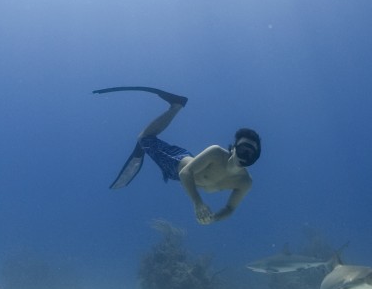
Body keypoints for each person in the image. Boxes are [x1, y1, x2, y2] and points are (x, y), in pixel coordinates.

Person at [93, 85, 261, 225]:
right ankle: (176, 105)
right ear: (233, 148)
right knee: (144, 138)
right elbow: (185, 172)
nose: (246, 156)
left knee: (148, 143)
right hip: (176, 163)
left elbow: (230, 209)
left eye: (252, 153)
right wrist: (197, 202)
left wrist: (214, 218)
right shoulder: (217, 153)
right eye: (243, 149)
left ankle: (151, 138)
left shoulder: (245, 182)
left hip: (179, 172)